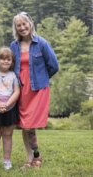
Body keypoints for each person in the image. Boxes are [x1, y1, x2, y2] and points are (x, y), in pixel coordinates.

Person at [9, 12, 59, 169]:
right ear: (15, 28)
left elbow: (54, 66)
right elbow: (9, 66)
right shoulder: (13, 46)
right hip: (20, 89)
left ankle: (36, 155)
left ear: (30, 23)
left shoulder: (42, 43)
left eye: (25, 23)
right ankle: (30, 159)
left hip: (37, 89)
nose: (22, 27)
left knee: (29, 125)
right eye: (19, 25)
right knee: (24, 124)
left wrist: (40, 78)